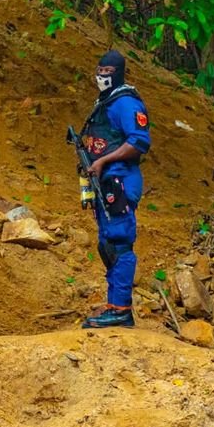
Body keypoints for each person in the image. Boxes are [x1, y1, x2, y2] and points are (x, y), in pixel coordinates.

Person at [79, 50, 150, 329]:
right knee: (107, 244)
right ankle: (114, 305)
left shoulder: (126, 104)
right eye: (100, 70)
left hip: (120, 181)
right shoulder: (105, 101)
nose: (102, 76)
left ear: (118, 73)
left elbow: (139, 143)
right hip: (105, 181)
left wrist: (104, 160)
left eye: (108, 72)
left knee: (119, 243)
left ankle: (121, 310)